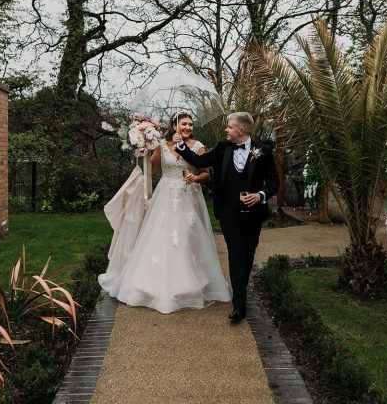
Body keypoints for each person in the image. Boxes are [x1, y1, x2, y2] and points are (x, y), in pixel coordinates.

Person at [98, 112, 230, 314]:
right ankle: (150, 284)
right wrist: (142, 150)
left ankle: (188, 284)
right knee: (158, 236)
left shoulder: (197, 146)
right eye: (184, 124)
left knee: (186, 238)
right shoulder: (162, 145)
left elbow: (206, 173)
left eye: (190, 124)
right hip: (164, 197)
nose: (188, 127)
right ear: (174, 125)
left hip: (187, 197)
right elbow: (151, 170)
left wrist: (195, 178)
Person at [174, 111, 279, 323]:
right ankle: (239, 304)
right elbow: (200, 160)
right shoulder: (223, 148)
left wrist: (260, 195)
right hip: (228, 212)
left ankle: (241, 288)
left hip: (253, 214)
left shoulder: (263, 151)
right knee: (236, 253)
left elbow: (273, 182)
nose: (226, 130)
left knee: (248, 252)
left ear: (241, 130)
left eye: (229, 127)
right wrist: (181, 146)